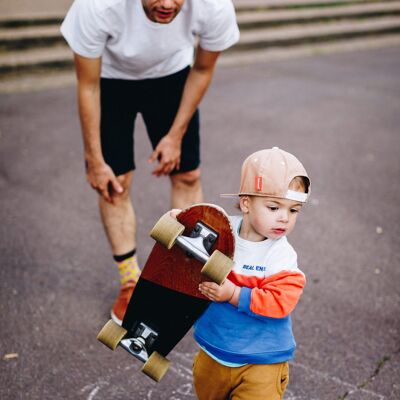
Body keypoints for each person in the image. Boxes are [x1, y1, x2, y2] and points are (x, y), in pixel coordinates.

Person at [60, 0, 240, 324]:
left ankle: (184, 276)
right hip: (111, 83)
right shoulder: (97, 7)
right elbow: (87, 85)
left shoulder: (213, 6)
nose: (168, 4)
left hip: (172, 79)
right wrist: (94, 158)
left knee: (187, 176)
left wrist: (174, 135)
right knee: (114, 185)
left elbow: (202, 69)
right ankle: (131, 280)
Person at [170, 147, 310, 399]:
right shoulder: (221, 228)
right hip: (213, 351)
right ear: (246, 203)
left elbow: (281, 301)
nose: (284, 219)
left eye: (293, 210)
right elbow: (190, 232)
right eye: (274, 207)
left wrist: (233, 294)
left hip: (261, 361)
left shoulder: (281, 256)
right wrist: (179, 220)